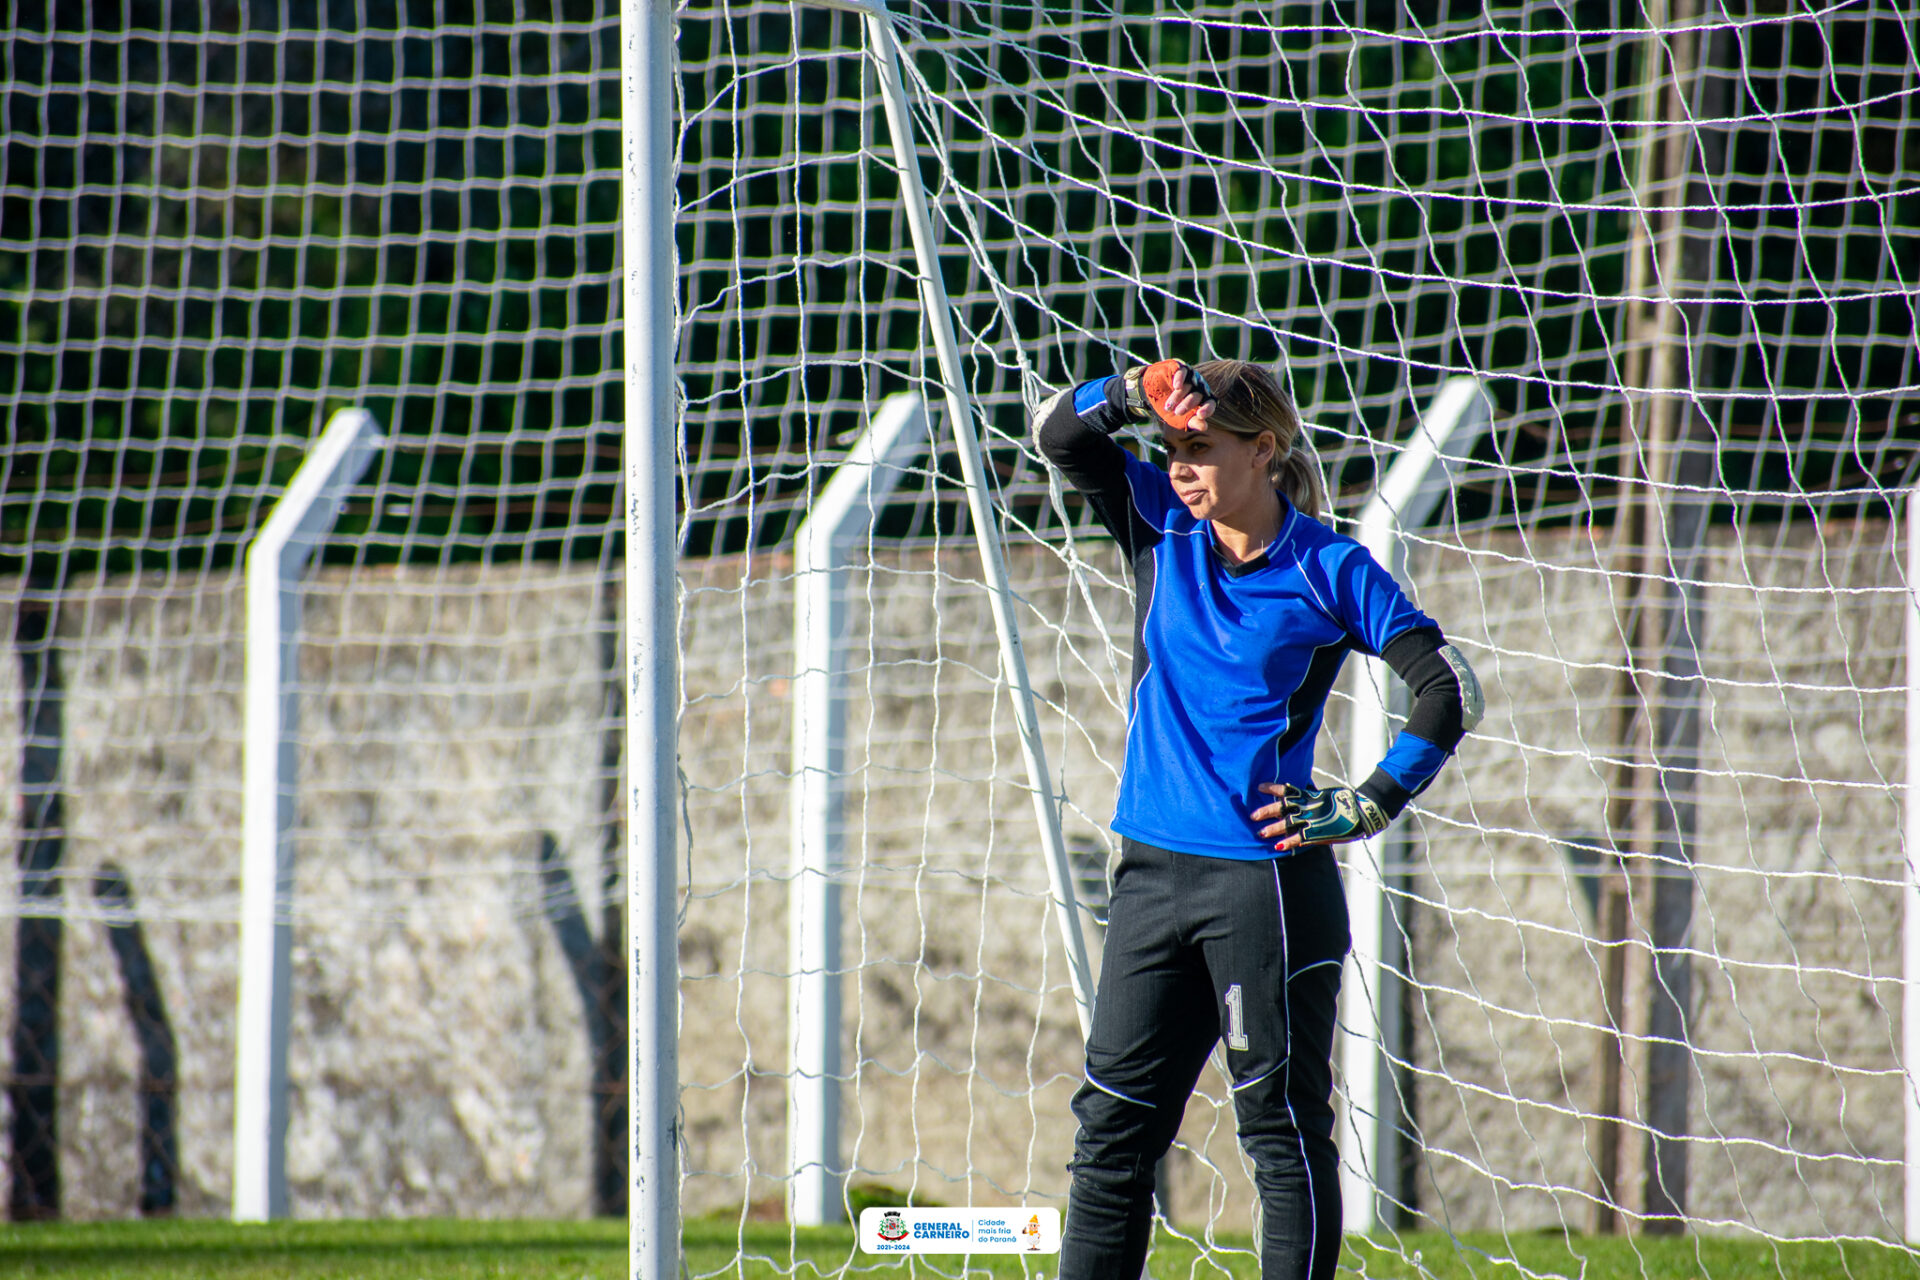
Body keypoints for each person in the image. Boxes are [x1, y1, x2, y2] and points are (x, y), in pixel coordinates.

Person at [1034, 358, 1482, 1280]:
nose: (1181, 467)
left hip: (1267, 889)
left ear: (1263, 450)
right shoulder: (1159, 523)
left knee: (1278, 1134)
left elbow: (1447, 689)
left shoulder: (1330, 568)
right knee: (1111, 1130)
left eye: (1199, 449)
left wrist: (1369, 800)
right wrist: (1131, 391)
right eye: (1170, 450)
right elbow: (1060, 436)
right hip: (1151, 879)